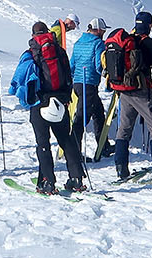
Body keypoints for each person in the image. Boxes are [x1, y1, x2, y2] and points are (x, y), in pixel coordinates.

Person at [11, 20, 86, 194]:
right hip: (60, 101)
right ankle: (76, 178)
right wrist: (66, 97)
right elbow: (68, 75)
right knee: (66, 140)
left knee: (43, 143)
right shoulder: (59, 51)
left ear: (33, 35)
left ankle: (47, 181)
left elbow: (21, 79)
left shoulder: (30, 53)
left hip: (40, 103)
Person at [106, 10, 152, 180]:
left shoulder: (127, 41)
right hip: (141, 90)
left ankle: (121, 168)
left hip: (123, 90)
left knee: (124, 129)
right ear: (149, 25)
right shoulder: (149, 43)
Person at [70, 17, 109, 157]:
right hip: (89, 83)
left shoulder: (78, 42)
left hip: (78, 83)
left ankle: (103, 145)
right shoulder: (98, 43)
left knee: (98, 114)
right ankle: (74, 150)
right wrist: (107, 75)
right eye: (103, 30)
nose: (103, 33)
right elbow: (99, 65)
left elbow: (72, 64)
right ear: (98, 30)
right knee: (81, 118)